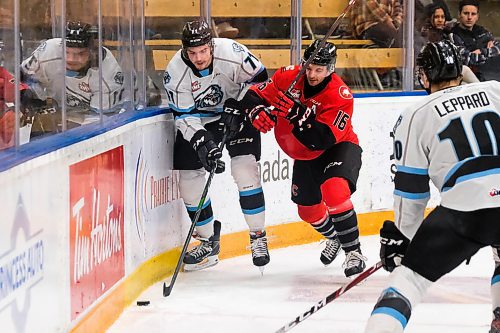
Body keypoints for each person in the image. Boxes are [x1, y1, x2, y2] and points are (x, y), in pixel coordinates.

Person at [364, 40, 500, 332]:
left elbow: (411, 193)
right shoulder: (496, 90)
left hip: (465, 211)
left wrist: (404, 238)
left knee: (408, 281)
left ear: (423, 76)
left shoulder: (416, 114)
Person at [238, 40, 367, 277]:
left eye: (319, 70)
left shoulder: (340, 95)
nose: (312, 74)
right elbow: (253, 94)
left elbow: (323, 140)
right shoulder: (288, 77)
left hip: (337, 148)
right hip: (305, 156)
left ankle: (354, 252)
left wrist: (296, 113)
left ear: (331, 69)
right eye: (309, 68)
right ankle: (335, 237)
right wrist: (255, 110)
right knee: (307, 212)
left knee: (334, 190)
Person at [163, 20, 270, 272]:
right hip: (200, 120)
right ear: (184, 51)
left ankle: (258, 236)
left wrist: (243, 102)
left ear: (211, 45)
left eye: (203, 51)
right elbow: (183, 116)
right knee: (189, 179)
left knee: (244, 169)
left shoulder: (232, 53)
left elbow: (263, 81)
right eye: (192, 53)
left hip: (239, 112)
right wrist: (203, 143)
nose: (198, 58)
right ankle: (207, 239)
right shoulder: (175, 72)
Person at [21, 21, 125, 118]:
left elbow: (98, 123)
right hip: (58, 111)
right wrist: (27, 94)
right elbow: (20, 77)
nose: (71, 59)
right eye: (66, 52)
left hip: (89, 119)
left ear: (93, 52)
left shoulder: (108, 74)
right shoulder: (48, 50)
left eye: (80, 54)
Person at [449, 0, 500, 81]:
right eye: (466, 13)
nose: (469, 17)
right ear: (459, 14)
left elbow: (498, 48)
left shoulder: (483, 31)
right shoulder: (453, 34)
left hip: (490, 75)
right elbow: (466, 59)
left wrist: (482, 51)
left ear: (477, 16)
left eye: (473, 14)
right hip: (467, 79)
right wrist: (490, 52)